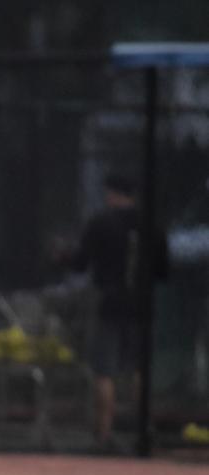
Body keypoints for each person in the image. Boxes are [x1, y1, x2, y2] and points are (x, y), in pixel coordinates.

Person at [57, 172, 160, 449]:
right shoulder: (149, 224)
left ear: (112, 193)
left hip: (110, 302)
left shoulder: (101, 222)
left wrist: (61, 256)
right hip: (141, 304)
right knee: (139, 368)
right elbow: (163, 269)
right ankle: (143, 429)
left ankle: (103, 433)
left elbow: (80, 263)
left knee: (105, 371)